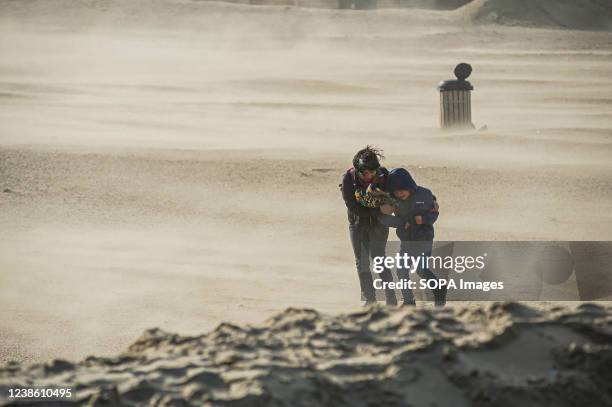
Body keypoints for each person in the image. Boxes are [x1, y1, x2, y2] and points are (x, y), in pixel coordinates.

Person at [379, 168, 446, 306]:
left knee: (420, 268)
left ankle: (439, 288)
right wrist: (398, 222)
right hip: (406, 241)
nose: (399, 193)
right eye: (396, 192)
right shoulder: (394, 200)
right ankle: (409, 301)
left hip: (424, 239)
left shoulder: (425, 194)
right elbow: (388, 219)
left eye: (402, 190)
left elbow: (434, 214)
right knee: (401, 270)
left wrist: (421, 219)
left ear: (409, 185)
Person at [340, 146, 397, 305]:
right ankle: (369, 299)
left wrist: (390, 207)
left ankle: (391, 298)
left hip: (379, 224)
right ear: (358, 170)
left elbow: (393, 198)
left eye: (372, 172)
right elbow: (352, 205)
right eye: (366, 173)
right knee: (362, 262)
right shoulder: (348, 179)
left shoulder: (384, 176)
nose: (369, 176)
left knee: (379, 260)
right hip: (358, 223)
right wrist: (378, 210)